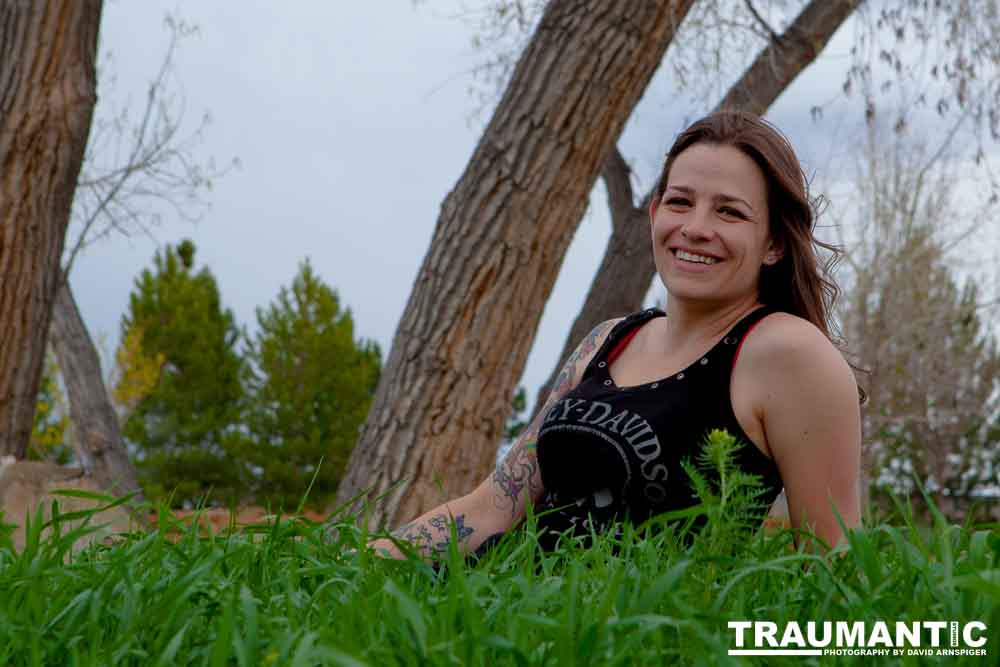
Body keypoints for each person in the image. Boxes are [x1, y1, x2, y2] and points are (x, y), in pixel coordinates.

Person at [372, 110, 862, 559]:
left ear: (774, 243)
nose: (695, 227)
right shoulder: (607, 340)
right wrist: (354, 562)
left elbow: (831, 563)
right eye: (680, 202)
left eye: (729, 212)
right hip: (502, 604)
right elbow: (489, 511)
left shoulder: (790, 354)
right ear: (655, 214)